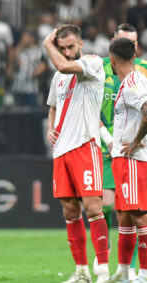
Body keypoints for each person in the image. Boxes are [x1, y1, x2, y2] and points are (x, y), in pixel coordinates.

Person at [43, 24, 109, 283]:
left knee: (93, 208)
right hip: (61, 151)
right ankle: (81, 271)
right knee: (70, 212)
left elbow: (63, 65)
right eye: (63, 48)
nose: (68, 52)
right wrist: (50, 129)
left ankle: (102, 270)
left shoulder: (93, 63)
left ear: (81, 44)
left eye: (71, 47)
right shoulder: (57, 78)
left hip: (85, 146)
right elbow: (52, 106)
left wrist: (48, 45)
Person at [97, 23, 147, 279]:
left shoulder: (133, 84)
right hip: (122, 159)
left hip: (133, 160)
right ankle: (124, 271)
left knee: (140, 216)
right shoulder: (131, 81)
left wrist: (138, 140)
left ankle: (145, 273)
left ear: (113, 60)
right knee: (125, 217)